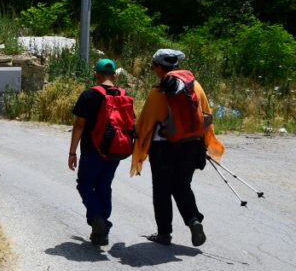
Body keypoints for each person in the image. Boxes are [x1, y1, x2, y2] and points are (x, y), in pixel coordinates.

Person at [130, 49, 224, 246]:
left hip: (164, 148)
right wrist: (205, 144)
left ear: (158, 67)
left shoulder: (159, 91)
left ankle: (164, 233)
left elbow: (145, 123)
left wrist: (138, 145)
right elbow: (206, 117)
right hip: (192, 145)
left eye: (153, 66)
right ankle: (193, 220)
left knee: (162, 190)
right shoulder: (195, 86)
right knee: (182, 185)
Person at [69, 58, 127, 246]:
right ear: (115, 75)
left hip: (92, 150)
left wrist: (72, 152)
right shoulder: (123, 94)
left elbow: (79, 126)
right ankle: (102, 231)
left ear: (96, 74)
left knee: (85, 185)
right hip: (115, 150)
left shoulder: (89, 95)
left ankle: (97, 219)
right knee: (104, 186)